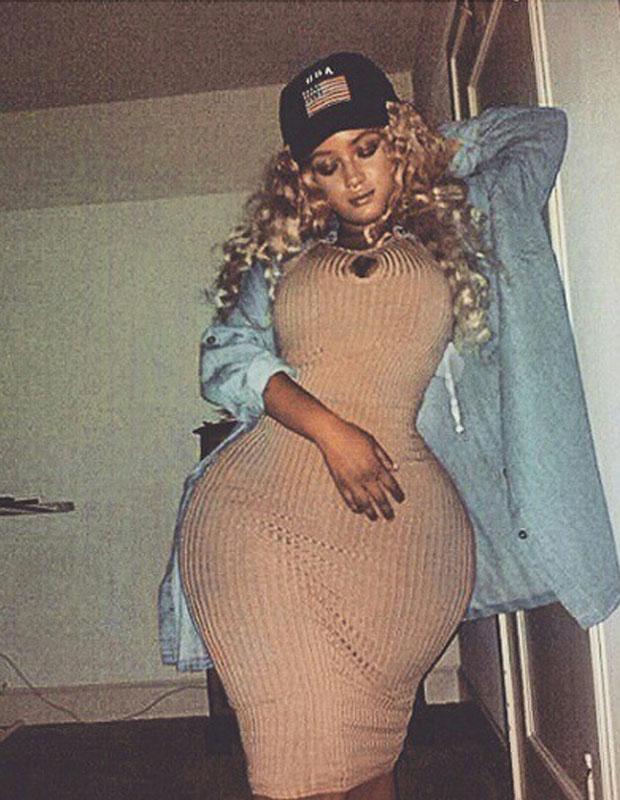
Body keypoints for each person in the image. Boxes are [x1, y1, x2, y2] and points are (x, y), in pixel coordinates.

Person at [158, 53, 620, 800]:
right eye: (327, 164)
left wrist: (425, 150)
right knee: (291, 766)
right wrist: (330, 431)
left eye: (367, 147)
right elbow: (225, 356)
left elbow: (543, 129)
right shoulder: (285, 257)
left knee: (367, 758)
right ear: (306, 178)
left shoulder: (466, 219)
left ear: (396, 138)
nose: (353, 177)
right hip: (261, 521)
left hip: (397, 535)